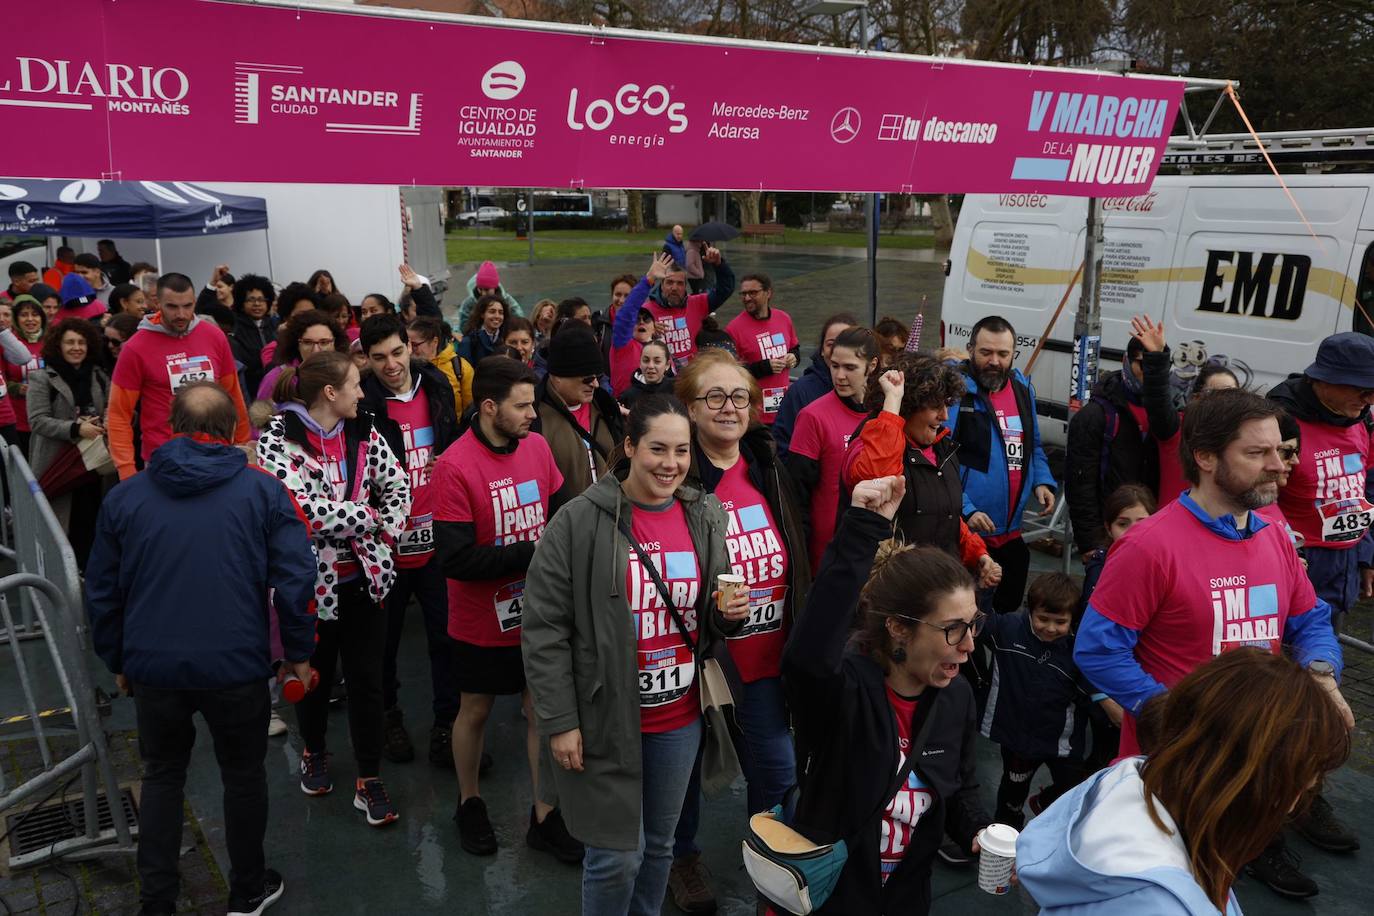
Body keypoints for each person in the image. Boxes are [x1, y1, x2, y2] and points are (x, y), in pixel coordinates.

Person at [1074, 388, 1352, 897]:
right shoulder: (1148, 545)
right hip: (1173, 775)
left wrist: (1320, 675)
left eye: (1281, 451)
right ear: (1204, 457)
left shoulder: (1271, 534)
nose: (1278, 465)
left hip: (1251, 764)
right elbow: (1097, 650)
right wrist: (1172, 713)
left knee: (1214, 886)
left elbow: (1310, 618)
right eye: (1258, 453)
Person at [85, 382, 318, 916]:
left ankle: (158, 901)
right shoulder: (262, 491)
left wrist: (119, 659)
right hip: (236, 663)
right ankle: (247, 890)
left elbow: (101, 590)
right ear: (234, 429)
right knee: (243, 774)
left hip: (154, 666)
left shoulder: (125, 497)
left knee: (162, 775)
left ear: (169, 426)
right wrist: (298, 651)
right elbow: (297, 575)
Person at [522, 395, 749, 916]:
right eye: (657, 449)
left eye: (682, 451)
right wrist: (559, 720)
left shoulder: (705, 513)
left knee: (661, 848)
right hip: (605, 718)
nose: (671, 464)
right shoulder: (577, 522)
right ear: (629, 446)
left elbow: (708, 615)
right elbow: (543, 629)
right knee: (616, 856)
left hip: (679, 717)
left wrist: (727, 615)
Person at [782, 474, 993, 913]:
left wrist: (978, 830)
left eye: (973, 624)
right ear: (899, 627)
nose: (970, 644)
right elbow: (807, 656)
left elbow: (960, 786)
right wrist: (861, 527)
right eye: (953, 629)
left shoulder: (956, 698)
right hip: (831, 897)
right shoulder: (843, 694)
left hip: (905, 899)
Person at [1018, 649, 1350, 915]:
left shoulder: (1126, 782)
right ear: (1249, 787)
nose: (1295, 805)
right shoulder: (1159, 905)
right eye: (1299, 786)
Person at [667, 350, 811, 914]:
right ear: (689, 407)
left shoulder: (767, 464)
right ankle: (683, 858)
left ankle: (768, 870)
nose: (729, 408)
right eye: (714, 397)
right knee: (686, 772)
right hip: (703, 661)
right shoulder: (678, 475)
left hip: (767, 660)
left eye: (739, 397)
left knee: (775, 771)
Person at [430, 355, 580, 862]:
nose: (532, 416)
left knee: (541, 707)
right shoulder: (454, 466)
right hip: (479, 621)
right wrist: (531, 553)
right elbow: (455, 558)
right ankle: (469, 801)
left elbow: (559, 517)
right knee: (474, 709)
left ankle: (544, 813)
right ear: (489, 407)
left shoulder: (537, 449)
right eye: (521, 407)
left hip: (538, 616)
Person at [256, 351, 410, 828]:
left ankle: (369, 776)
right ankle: (315, 750)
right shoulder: (277, 439)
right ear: (330, 393)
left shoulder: (365, 429)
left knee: (368, 682)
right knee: (314, 679)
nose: (363, 393)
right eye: (354, 384)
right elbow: (301, 510)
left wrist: (387, 532)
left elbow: (399, 486)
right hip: (308, 589)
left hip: (367, 582)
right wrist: (366, 517)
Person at [358, 315, 462, 768]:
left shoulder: (436, 384)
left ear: (410, 346)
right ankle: (388, 718)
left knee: (447, 638)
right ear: (366, 358)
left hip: (437, 539)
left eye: (397, 352)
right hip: (386, 549)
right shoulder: (361, 400)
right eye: (379, 357)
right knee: (384, 644)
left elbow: (453, 437)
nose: (391, 364)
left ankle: (448, 725)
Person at [842, 356, 1003, 589]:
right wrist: (892, 406)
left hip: (936, 588)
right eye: (935, 405)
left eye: (947, 404)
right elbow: (877, 484)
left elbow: (945, 514)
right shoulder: (867, 446)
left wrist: (977, 553)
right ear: (908, 405)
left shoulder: (942, 448)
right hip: (892, 591)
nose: (945, 415)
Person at [947, 316, 1056, 614]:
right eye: (986, 353)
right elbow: (940, 460)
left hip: (1011, 532)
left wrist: (1042, 481)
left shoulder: (1021, 389)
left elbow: (1032, 444)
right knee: (966, 622)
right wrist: (966, 509)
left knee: (1006, 617)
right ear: (970, 349)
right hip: (967, 537)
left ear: (1013, 354)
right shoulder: (954, 392)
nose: (994, 361)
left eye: (1003, 354)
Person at [1268, 332, 1374, 629]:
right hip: (1298, 562)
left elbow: (1366, 490)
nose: (1370, 400)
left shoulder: (1363, 419)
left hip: (1346, 564)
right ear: (1324, 381)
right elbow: (1259, 497)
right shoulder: (1280, 421)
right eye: (1362, 390)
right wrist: (1289, 552)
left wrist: (1365, 556)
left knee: (1325, 659)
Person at [980, 572, 1102, 829]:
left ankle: (1045, 802)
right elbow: (979, 623)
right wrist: (985, 589)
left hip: (1062, 742)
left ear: (1073, 619)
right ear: (1030, 611)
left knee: (1073, 791)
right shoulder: (1008, 630)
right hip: (1018, 740)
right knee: (1012, 794)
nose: (1050, 628)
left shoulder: (1079, 649)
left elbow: (1092, 690)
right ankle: (1005, 837)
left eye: (1060, 622)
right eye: (1043, 619)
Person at [107, 273, 250, 480]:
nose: (181, 314)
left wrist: (242, 445)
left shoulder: (214, 336)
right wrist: (126, 471)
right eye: (172, 307)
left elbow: (233, 396)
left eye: (188, 306)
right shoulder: (135, 348)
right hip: (164, 460)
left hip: (217, 455)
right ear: (157, 303)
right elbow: (119, 415)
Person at [787, 326, 878, 571]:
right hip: (828, 551)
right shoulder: (813, 417)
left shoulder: (883, 414)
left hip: (874, 543)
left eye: (850, 368)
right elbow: (797, 495)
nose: (839, 375)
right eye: (835, 365)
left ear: (872, 366)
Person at [1131, 315, 1240, 505]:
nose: (1225, 402)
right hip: (1171, 531)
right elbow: (1157, 399)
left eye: (1232, 394)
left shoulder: (1243, 440)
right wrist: (1157, 356)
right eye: (1216, 393)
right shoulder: (1177, 430)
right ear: (1196, 398)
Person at [26, 318, 110, 562]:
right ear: (58, 345)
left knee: (92, 517)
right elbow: (38, 421)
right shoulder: (42, 378)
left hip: (94, 462)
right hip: (59, 462)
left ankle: (88, 568)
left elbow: (110, 407)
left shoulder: (98, 375)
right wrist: (75, 428)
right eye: (70, 342)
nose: (77, 347)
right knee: (62, 525)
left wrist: (102, 422)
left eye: (82, 342)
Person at [1065, 336, 1157, 554]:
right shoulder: (1097, 415)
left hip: (1151, 536)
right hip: (1108, 537)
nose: (1151, 373)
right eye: (1144, 364)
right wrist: (1090, 544)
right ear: (1126, 360)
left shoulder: (1168, 413)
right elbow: (1080, 484)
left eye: (1159, 366)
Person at [531, 325, 623, 509]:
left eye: (597, 376)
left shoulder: (606, 408)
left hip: (612, 519)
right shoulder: (534, 418)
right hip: (565, 528)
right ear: (558, 376)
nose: (596, 384)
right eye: (587, 378)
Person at [622, 246, 734, 369]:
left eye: (680, 283)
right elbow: (625, 334)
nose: (674, 288)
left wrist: (719, 264)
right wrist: (646, 328)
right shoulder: (645, 312)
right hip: (659, 377)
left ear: (686, 286)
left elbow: (725, 290)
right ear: (662, 285)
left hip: (690, 376)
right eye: (669, 282)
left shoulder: (697, 303)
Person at [772, 313, 856, 459]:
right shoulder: (800, 392)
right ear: (822, 350)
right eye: (831, 344)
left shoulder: (871, 392)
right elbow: (783, 448)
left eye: (845, 343)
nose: (838, 349)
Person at [725, 273, 799, 426]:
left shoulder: (783, 318)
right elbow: (730, 371)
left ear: (768, 293)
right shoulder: (733, 328)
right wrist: (764, 367)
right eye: (743, 294)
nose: (747, 298)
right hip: (754, 416)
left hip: (783, 411)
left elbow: (794, 347)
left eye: (752, 293)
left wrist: (794, 357)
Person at [255, 311, 349, 410]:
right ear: (297, 345)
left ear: (335, 343)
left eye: (324, 342)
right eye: (307, 342)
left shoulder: (345, 374)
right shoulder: (276, 378)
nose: (316, 350)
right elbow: (260, 421)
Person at [407, 316, 474, 419]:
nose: (410, 350)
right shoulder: (405, 368)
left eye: (415, 345)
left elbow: (469, 409)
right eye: (407, 344)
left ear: (434, 342)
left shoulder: (460, 368)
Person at [4, 296, 46, 456]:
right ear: (16, 318)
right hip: (19, 421)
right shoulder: (9, 344)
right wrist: (16, 388)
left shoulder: (52, 341)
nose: (30, 319)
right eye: (24, 315)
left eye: (35, 314)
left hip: (48, 419)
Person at [227, 275, 278, 398]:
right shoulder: (235, 329)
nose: (257, 304)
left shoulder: (275, 325)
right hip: (251, 392)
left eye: (261, 299)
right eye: (251, 300)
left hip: (277, 389)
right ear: (241, 303)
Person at [456, 261, 523, 329]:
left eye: (486, 290)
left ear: (495, 288)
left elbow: (520, 323)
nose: (483, 293)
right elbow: (463, 327)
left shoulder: (507, 301)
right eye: (480, 289)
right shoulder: (469, 304)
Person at [619, 340, 673, 410]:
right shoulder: (628, 396)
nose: (650, 366)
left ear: (667, 365)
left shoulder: (676, 390)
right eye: (646, 360)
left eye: (657, 361)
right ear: (640, 363)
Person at [458, 294, 507, 364]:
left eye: (501, 313)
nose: (497, 316)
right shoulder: (469, 341)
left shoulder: (507, 338)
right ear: (482, 314)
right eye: (492, 312)